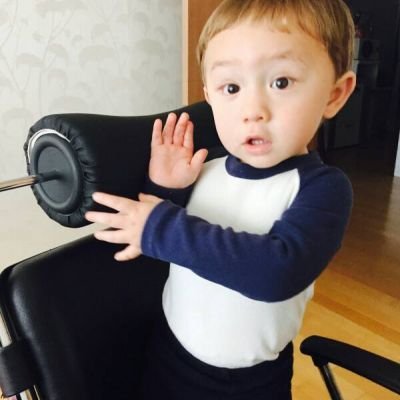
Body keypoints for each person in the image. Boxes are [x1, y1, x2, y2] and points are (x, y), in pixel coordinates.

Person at [85, 0, 357, 398]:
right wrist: (164, 188)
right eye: (231, 88)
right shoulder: (204, 170)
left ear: (334, 95)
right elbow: (157, 250)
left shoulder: (322, 188)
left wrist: (160, 225)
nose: (253, 110)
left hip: (252, 383)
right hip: (170, 358)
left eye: (281, 82)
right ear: (209, 96)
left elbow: (278, 272)